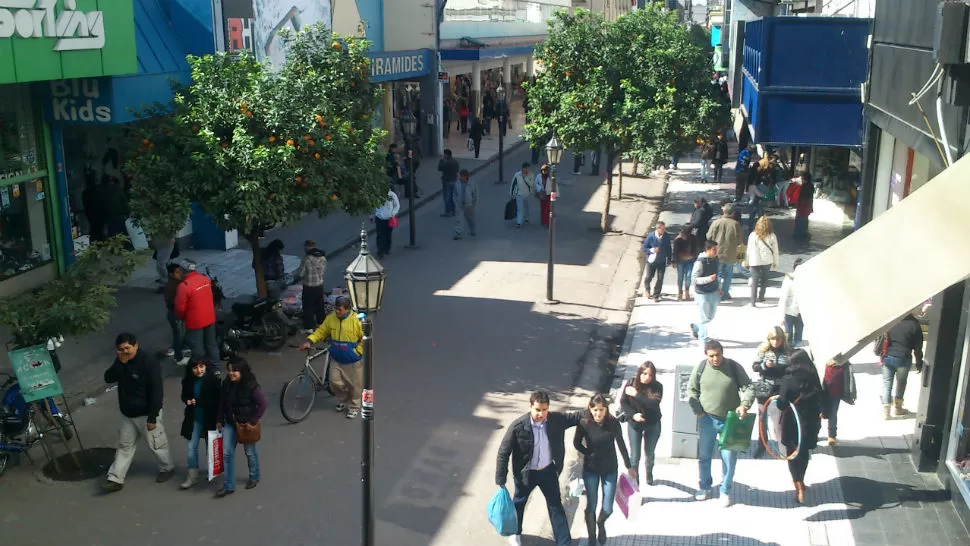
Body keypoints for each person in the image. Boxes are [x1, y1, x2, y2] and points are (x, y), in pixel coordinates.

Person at [495, 390, 582, 546]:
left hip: (548, 471)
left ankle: (564, 541)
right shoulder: (518, 426)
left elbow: (576, 417)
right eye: (537, 409)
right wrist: (500, 478)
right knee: (519, 503)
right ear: (530, 406)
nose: (541, 414)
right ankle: (515, 533)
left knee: (555, 505)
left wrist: (597, 410)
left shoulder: (555, 420)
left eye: (544, 410)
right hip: (526, 473)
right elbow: (503, 452)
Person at [102, 333, 175, 492]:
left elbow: (157, 390)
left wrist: (153, 416)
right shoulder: (122, 360)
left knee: (156, 444)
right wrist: (120, 363)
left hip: (146, 412)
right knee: (124, 445)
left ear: (136, 345)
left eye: (128, 348)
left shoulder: (149, 362)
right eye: (122, 349)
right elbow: (108, 378)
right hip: (128, 413)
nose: (126, 352)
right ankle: (115, 478)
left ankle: (167, 467)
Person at [687, 339, 755, 506]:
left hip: (730, 420)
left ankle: (725, 490)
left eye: (717, 355)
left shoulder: (733, 367)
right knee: (704, 456)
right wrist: (698, 410)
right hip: (707, 420)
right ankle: (704, 487)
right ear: (706, 355)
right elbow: (691, 390)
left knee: (729, 458)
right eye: (711, 356)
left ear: (722, 353)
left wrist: (744, 405)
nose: (715, 359)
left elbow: (749, 387)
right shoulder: (701, 368)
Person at [573, 394, 635, 545]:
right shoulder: (584, 423)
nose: (598, 413)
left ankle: (601, 523)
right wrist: (588, 453)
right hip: (591, 470)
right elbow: (576, 443)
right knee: (592, 505)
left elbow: (621, 445)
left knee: (608, 507)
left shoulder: (613, 423)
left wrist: (629, 466)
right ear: (590, 409)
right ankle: (592, 537)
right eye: (595, 410)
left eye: (601, 410)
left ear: (606, 409)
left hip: (610, 469)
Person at [298, 296, 364, 418]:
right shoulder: (331, 319)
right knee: (334, 383)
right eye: (336, 309)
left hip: (352, 360)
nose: (337, 311)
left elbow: (365, 339)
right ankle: (343, 400)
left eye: (339, 309)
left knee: (354, 386)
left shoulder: (357, 320)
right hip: (336, 358)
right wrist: (309, 341)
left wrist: (357, 352)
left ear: (347, 309)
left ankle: (354, 406)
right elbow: (321, 331)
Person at [215, 358, 266, 497]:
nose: (231, 373)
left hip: (245, 425)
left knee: (250, 452)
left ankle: (254, 476)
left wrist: (253, 422)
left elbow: (262, 405)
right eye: (230, 370)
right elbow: (222, 402)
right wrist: (219, 419)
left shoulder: (251, 386)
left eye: (235, 370)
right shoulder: (226, 384)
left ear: (242, 371)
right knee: (227, 453)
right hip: (230, 423)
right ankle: (228, 485)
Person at [777, 349, 823, 504]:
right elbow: (821, 398)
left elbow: (781, 404)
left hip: (792, 422)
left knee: (792, 454)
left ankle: (798, 485)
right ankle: (801, 478)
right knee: (803, 453)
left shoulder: (788, 380)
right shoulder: (814, 378)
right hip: (811, 421)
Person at [178, 357, 221, 489]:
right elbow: (184, 396)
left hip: (209, 418)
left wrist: (200, 402)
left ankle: (213, 472)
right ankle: (192, 476)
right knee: (191, 448)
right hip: (194, 418)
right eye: (195, 367)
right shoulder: (187, 381)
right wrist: (187, 401)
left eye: (201, 366)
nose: (199, 370)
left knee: (211, 447)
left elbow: (217, 400)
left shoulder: (213, 381)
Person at [751, 326, 792, 458]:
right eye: (773, 339)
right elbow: (755, 366)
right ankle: (762, 444)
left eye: (778, 339)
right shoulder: (764, 350)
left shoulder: (787, 351)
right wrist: (765, 366)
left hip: (780, 389)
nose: (775, 342)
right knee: (762, 419)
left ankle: (782, 447)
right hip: (764, 389)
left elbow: (791, 368)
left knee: (779, 420)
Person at [619, 361, 663, 486]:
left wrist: (636, 394)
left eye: (650, 375)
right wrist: (633, 415)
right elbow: (623, 402)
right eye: (644, 373)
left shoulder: (658, 387)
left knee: (649, 454)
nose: (647, 377)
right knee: (635, 456)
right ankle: (634, 484)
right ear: (639, 373)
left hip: (652, 424)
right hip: (635, 424)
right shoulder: (631, 383)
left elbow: (653, 404)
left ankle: (649, 473)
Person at [174, 259, 220, 370]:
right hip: (209, 317)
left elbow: (180, 307)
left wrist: (180, 318)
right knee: (211, 344)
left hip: (195, 321)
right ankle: (215, 368)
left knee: (197, 348)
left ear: (183, 271)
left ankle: (200, 368)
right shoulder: (205, 279)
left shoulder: (184, 286)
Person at [881, 313, 925, 419]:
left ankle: (886, 412)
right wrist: (919, 363)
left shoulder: (893, 320)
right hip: (903, 358)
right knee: (901, 383)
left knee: (887, 383)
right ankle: (897, 408)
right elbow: (918, 348)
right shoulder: (914, 325)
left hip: (888, 356)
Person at [707, 203, 742, 300]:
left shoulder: (716, 223)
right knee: (728, 275)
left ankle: (716, 292)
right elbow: (739, 241)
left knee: (717, 274)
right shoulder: (736, 224)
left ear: (723, 211)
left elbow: (708, 236)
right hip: (730, 254)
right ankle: (725, 294)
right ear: (733, 213)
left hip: (717, 253)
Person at [689, 240, 721, 344]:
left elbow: (717, 275)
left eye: (716, 249)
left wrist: (719, 288)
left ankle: (695, 326)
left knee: (711, 316)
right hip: (702, 293)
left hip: (714, 291)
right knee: (704, 317)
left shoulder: (716, 259)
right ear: (707, 250)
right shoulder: (700, 262)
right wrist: (708, 279)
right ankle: (703, 339)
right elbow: (694, 279)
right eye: (714, 250)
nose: (716, 251)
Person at [744, 216, 780, 307]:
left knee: (754, 281)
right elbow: (775, 250)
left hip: (754, 260)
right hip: (767, 261)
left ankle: (752, 301)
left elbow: (748, 250)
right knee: (764, 280)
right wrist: (776, 262)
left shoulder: (752, 235)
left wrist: (746, 262)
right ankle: (761, 296)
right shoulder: (772, 236)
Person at [298, 240, 327, 332]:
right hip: (319, 286)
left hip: (309, 287)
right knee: (320, 306)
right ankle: (321, 323)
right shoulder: (322, 258)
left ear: (306, 247)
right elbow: (322, 272)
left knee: (308, 307)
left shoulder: (306, 259)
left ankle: (309, 327)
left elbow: (301, 273)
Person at [164, 263, 189, 365]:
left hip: (175, 313)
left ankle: (177, 349)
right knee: (179, 334)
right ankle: (178, 357)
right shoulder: (174, 286)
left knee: (179, 333)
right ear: (171, 274)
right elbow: (173, 302)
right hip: (175, 313)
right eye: (177, 272)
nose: (180, 274)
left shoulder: (177, 283)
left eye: (180, 271)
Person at [641, 221, 673, 302]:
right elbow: (644, 248)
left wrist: (669, 259)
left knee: (660, 278)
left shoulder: (666, 236)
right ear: (658, 229)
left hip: (661, 261)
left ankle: (656, 295)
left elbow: (669, 248)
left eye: (664, 229)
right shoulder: (651, 236)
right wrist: (652, 250)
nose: (664, 230)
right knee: (649, 277)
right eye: (662, 229)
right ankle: (647, 289)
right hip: (652, 260)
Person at [778, 258, 804, 345]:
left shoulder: (808, 279)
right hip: (789, 311)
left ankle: (794, 349)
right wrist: (781, 317)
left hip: (801, 312)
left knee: (798, 336)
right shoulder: (789, 280)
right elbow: (783, 299)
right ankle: (789, 350)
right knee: (788, 335)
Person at [822, 359, 847, 446]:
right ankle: (813, 433)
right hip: (822, 390)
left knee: (833, 413)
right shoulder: (824, 359)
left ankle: (831, 435)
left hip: (836, 392)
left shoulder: (844, 364)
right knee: (818, 412)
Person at [673, 225, 698, 301]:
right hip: (680, 261)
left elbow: (695, 249)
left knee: (688, 276)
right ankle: (680, 292)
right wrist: (674, 261)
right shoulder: (678, 239)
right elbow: (675, 252)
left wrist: (693, 257)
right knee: (680, 277)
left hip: (690, 261)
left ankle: (687, 291)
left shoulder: (693, 238)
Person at [373, 189, 401, 259]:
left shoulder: (392, 195)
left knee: (388, 234)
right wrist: (374, 214)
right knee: (380, 235)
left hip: (389, 218)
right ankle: (380, 250)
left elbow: (397, 205)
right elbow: (373, 205)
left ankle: (387, 248)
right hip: (379, 217)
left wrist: (393, 213)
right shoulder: (377, 194)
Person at [453, 169, 479, 239]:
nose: (461, 177)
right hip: (460, 205)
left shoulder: (471, 183)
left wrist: (473, 204)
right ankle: (459, 233)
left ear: (466, 176)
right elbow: (455, 194)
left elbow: (475, 194)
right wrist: (456, 203)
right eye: (460, 176)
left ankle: (472, 230)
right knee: (459, 220)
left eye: (462, 176)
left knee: (471, 219)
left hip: (469, 205)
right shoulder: (457, 183)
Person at [438, 149, 460, 217]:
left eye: (444, 154)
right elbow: (457, 170)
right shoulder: (455, 161)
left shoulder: (447, 162)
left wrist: (441, 161)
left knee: (447, 197)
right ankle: (453, 210)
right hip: (454, 180)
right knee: (452, 197)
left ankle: (448, 212)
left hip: (447, 181)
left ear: (446, 155)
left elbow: (440, 168)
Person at [792, 171, 814, 240]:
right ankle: (804, 233)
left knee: (800, 219)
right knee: (805, 219)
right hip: (807, 205)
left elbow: (803, 197)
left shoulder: (805, 186)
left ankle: (799, 234)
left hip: (803, 206)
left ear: (805, 179)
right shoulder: (811, 185)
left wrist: (798, 204)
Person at [510, 163, 532, 228]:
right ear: (523, 168)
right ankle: (518, 222)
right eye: (526, 168)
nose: (527, 169)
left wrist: (526, 178)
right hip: (519, 195)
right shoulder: (517, 175)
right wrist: (511, 194)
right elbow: (513, 184)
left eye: (528, 168)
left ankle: (527, 218)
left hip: (527, 194)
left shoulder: (530, 175)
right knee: (520, 209)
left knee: (527, 208)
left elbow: (531, 184)